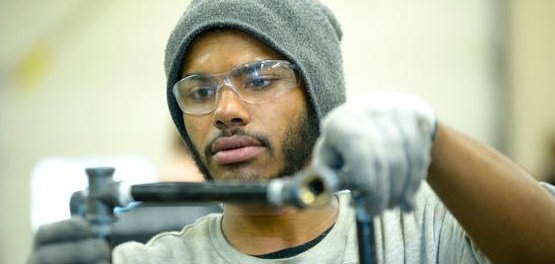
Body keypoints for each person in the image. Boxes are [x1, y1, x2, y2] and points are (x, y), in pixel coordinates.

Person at [28, 0, 555, 263]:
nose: (226, 111)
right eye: (199, 91)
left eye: (259, 78)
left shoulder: (422, 234)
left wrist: (432, 138)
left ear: (318, 95)